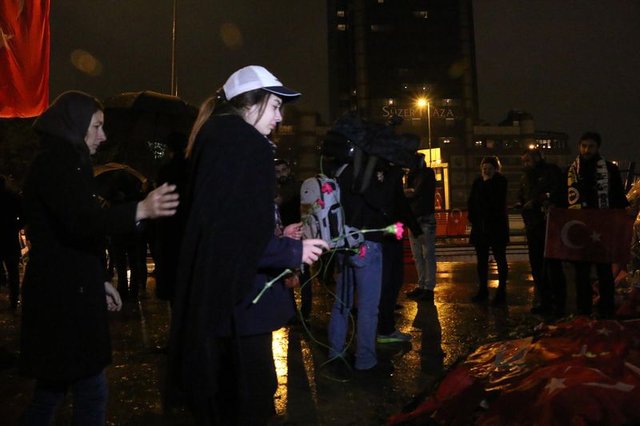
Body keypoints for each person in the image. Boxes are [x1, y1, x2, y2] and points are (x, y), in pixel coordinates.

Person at [165, 65, 328, 425]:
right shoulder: (244, 143)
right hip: (242, 301)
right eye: (275, 106)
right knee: (250, 395)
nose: (279, 117)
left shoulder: (218, 137)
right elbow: (233, 234)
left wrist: (277, 235)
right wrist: (291, 251)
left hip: (225, 299)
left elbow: (230, 219)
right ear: (250, 103)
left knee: (235, 392)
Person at [19, 90, 179, 425]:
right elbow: (82, 222)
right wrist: (140, 209)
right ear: (76, 124)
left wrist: (99, 281)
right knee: (87, 390)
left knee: (54, 391)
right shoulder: (58, 164)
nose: (103, 136)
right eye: (96, 126)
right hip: (63, 300)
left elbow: (74, 235)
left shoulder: (65, 161)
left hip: (66, 294)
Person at [567, 131, 630, 317]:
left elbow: (617, 195)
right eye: (584, 146)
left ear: (598, 148)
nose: (587, 150)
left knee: (604, 271)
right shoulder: (572, 171)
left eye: (591, 146)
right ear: (579, 146)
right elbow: (563, 196)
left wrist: (624, 213)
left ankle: (606, 311)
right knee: (581, 272)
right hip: (580, 227)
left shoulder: (609, 169)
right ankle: (583, 311)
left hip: (603, 227)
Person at [517, 149, 567, 316]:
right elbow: (522, 194)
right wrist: (521, 203)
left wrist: (539, 201)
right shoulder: (526, 176)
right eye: (524, 161)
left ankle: (559, 303)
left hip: (548, 224)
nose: (526, 164)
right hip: (533, 225)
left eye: (528, 160)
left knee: (552, 265)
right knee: (537, 266)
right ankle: (545, 301)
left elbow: (557, 192)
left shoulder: (550, 171)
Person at [467, 156, 509, 304]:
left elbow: (495, 202)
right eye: (484, 167)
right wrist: (473, 217)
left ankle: (501, 292)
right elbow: (471, 201)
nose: (486, 170)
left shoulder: (500, 181)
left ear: (495, 169)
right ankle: (482, 290)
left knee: (500, 258)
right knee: (481, 260)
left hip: (496, 226)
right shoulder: (477, 182)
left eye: (489, 168)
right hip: (480, 227)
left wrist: (487, 182)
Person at [405, 153, 437, 302]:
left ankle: (428, 288)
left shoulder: (427, 173)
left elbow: (415, 192)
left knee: (427, 254)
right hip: (414, 219)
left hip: (424, 218)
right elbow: (411, 193)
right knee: (418, 255)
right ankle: (422, 285)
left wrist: (407, 192)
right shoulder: (414, 175)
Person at [0, 175, 23, 310]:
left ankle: (12, 298)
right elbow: (24, 213)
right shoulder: (12, 197)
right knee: (13, 269)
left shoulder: (12, 197)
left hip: (7, 236)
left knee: (12, 269)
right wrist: (17, 226)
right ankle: (14, 299)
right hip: (10, 237)